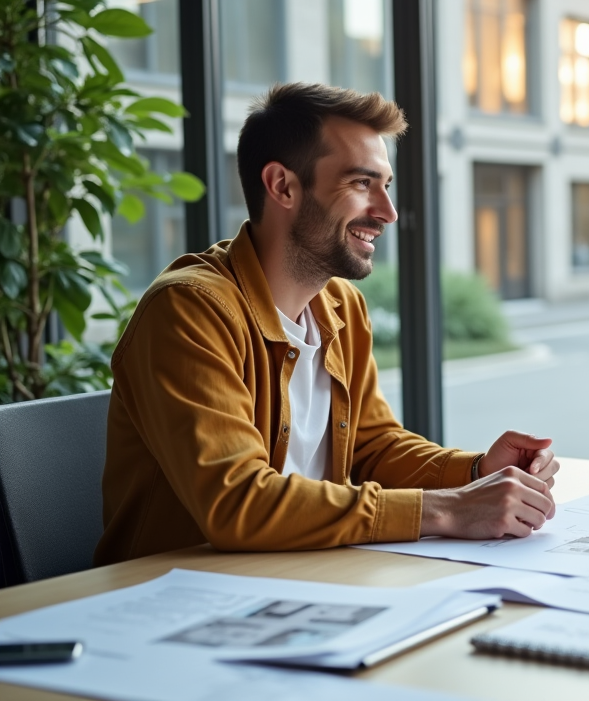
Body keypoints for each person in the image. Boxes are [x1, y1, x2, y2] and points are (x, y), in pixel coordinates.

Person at [95, 83, 559, 566]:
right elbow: (237, 502)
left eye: (386, 185)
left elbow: (373, 448)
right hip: (174, 603)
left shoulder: (341, 306)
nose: (388, 212)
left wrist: (477, 472)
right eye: (361, 184)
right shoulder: (189, 309)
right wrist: (447, 510)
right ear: (283, 186)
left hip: (302, 578)